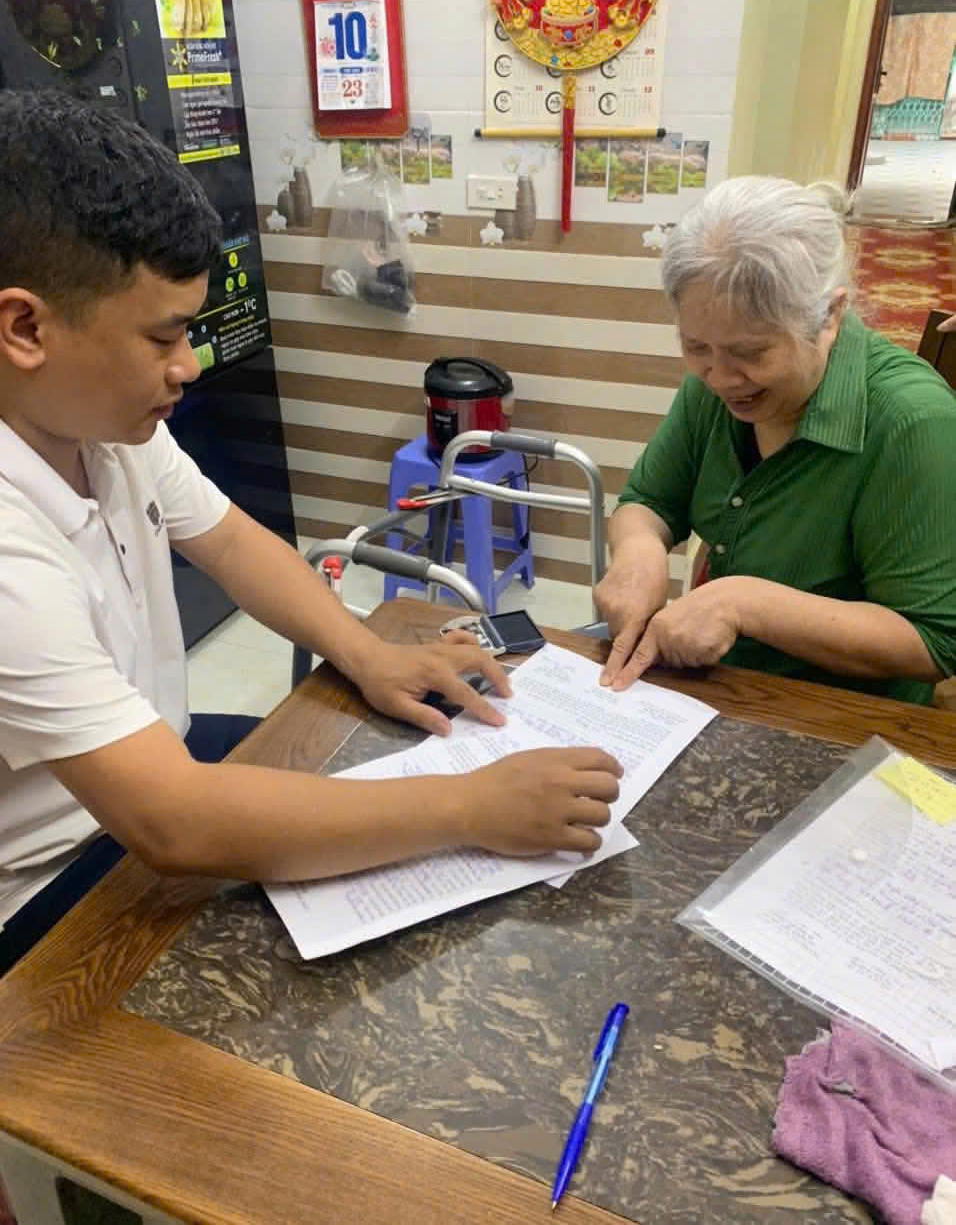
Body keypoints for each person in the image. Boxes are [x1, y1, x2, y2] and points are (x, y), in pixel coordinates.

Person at [0, 91, 620, 974]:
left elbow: (232, 543)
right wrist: (470, 808)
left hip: (149, 766)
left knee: (358, 761)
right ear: (27, 327)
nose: (188, 365)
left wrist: (367, 652)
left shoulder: (101, 423)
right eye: (163, 337)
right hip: (48, 881)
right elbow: (173, 823)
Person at [595, 175, 956, 705]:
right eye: (696, 347)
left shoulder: (912, 421)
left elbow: (933, 641)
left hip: (840, 713)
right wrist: (637, 553)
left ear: (829, 317)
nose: (720, 377)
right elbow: (649, 500)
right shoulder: (713, 386)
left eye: (751, 353)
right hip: (719, 687)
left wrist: (745, 604)